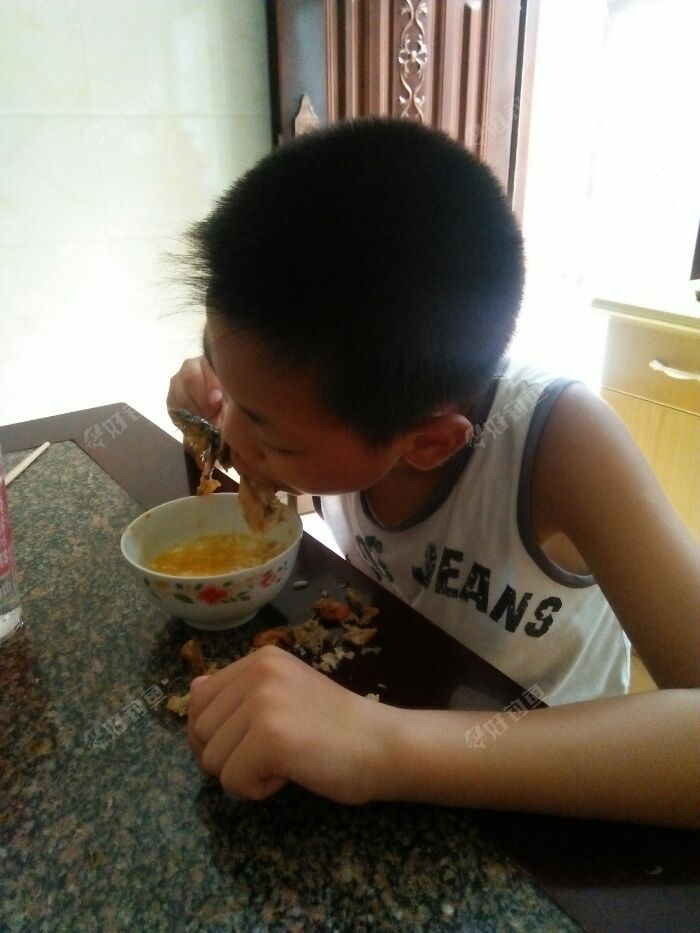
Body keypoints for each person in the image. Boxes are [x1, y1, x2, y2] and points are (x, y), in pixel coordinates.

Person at [166, 118, 700, 828]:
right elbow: (262, 420)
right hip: (395, 705)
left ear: (428, 443)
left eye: (267, 434)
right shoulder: (339, 395)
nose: (232, 434)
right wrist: (208, 409)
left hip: (550, 806)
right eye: (223, 379)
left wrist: (380, 747)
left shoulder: (561, 442)